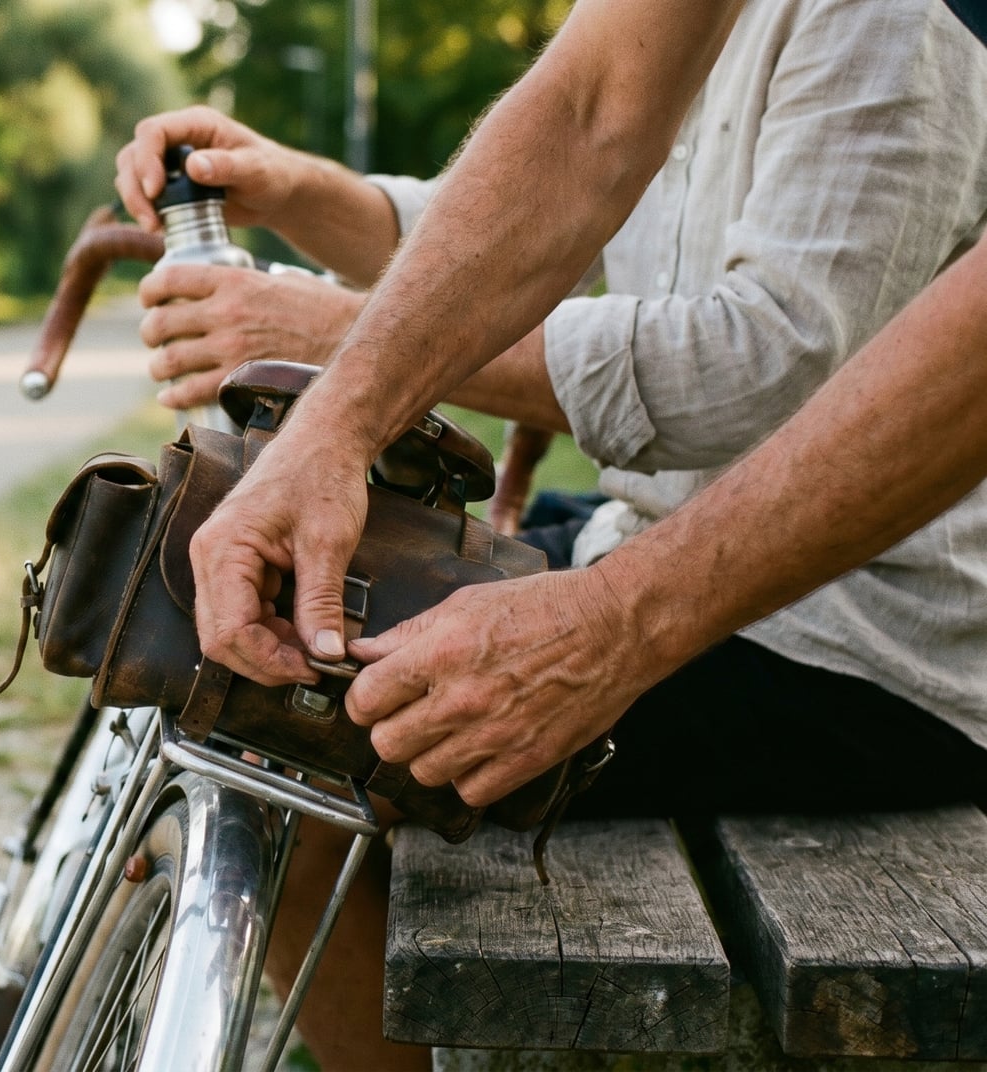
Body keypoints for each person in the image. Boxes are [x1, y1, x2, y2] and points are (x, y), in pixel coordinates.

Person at [114, 0, 987, 1067]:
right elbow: (562, 164)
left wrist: (323, 334)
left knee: (273, 752)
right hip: (655, 534)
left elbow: (764, 360)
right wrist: (308, 196)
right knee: (242, 622)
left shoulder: (891, 22)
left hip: (857, 641)